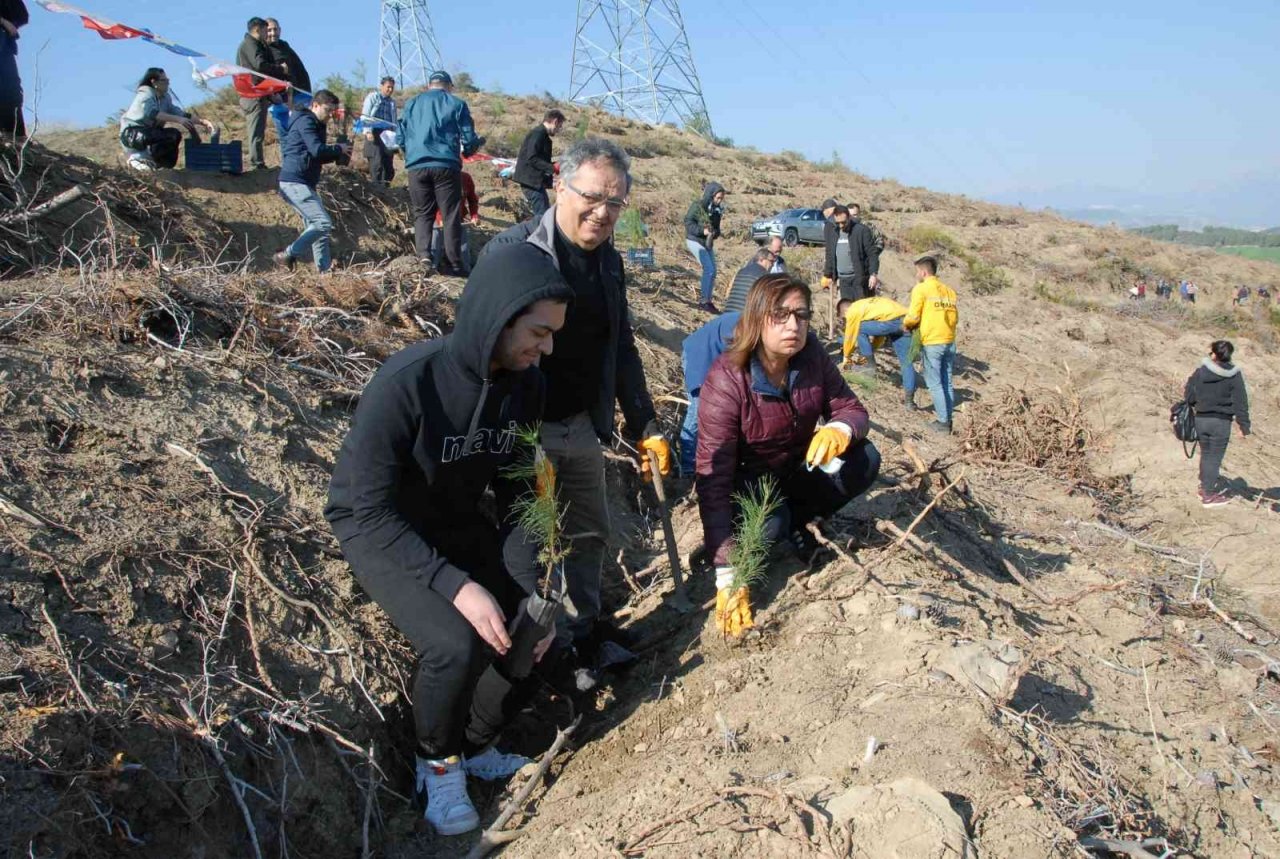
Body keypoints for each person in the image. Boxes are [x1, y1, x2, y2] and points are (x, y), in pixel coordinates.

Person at [325, 242, 574, 835]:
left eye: (554, 334)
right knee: (452, 645)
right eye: (538, 331)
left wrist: (522, 586)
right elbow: (369, 505)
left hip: (454, 516)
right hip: (376, 524)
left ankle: (472, 747)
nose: (548, 347)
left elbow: (516, 494)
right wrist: (455, 586)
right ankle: (435, 766)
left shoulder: (526, 386)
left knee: (531, 627)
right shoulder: (408, 382)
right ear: (497, 314)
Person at [482, 137, 669, 681]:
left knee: (588, 535)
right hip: (524, 431)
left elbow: (623, 345)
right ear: (560, 185)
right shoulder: (515, 252)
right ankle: (546, 660)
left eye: (617, 204)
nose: (604, 213)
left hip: (582, 425)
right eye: (593, 197)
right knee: (535, 550)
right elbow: (479, 347)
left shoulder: (609, 263)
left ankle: (585, 636)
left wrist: (647, 425)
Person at [696, 273, 881, 635]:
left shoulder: (811, 356)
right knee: (767, 527)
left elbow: (852, 409)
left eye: (801, 314)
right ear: (756, 317)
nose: (793, 325)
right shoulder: (728, 378)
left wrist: (840, 428)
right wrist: (727, 574)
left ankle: (798, 523)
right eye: (780, 315)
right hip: (746, 484)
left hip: (795, 469)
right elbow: (713, 476)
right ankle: (743, 542)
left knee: (865, 458)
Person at [398, 70, 484, 275]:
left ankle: (424, 257)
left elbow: (400, 136)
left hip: (416, 165)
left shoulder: (412, 103)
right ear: (449, 86)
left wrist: (409, 153)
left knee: (422, 213)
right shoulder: (457, 104)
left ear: (430, 85)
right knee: (451, 214)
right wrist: (473, 147)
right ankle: (455, 263)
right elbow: (468, 138)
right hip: (446, 165)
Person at [274, 90, 350, 273]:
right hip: (294, 182)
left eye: (333, 111)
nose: (330, 115)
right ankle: (287, 255)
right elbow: (316, 150)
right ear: (315, 105)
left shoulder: (316, 123)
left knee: (319, 231)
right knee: (323, 223)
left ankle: (323, 272)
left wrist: (337, 153)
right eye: (327, 109)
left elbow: (316, 155)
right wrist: (337, 148)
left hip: (304, 182)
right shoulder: (306, 121)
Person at [1184, 340, 1250, 508]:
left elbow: (1189, 396)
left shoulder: (1200, 372)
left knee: (1206, 454)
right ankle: (1208, 495)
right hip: (1221, 422)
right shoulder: (1234, 374)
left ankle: (1203, 487)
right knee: (1214, 457)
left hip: (1201, 420)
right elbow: (1240, 402)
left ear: (1213, 354)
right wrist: (1244, 426)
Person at [678, 311, 740, 476]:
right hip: (700, 357)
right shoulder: (745, 328)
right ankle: (687, 468)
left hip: (716, 356)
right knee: (699, 410)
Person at [902, 254, 959, 433]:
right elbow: (954, 318)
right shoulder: (949, 291)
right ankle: (948, 420)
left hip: (933, 341)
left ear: (924, 272)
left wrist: (906, 325)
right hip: (949, 341)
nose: (916, 275)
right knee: (946, 381)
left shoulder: (921, 289)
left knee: (934, 383)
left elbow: (913, 316)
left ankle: (942, 423)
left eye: (917, 272)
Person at [118, 68, 214, 171]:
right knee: (162, 136)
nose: (167, 83)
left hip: (149, 134)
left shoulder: (165, 98)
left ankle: (160, 165)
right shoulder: (145, 93)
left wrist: (202, 122)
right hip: (132, 134)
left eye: (168, 80)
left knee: (174, 134)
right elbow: (151, 113)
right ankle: (135, 160)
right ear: (154, 82)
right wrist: (178, 120)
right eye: (164, 80)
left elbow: (180, 113)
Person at [840, 295, 919, 407]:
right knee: (906, 362)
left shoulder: (853, 310)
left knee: (858, 327)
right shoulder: (870, 306)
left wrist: (846, 356)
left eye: (844, 318)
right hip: (906, 321)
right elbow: (880, 334)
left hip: (893, 322)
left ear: (845, 311)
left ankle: (869, 366)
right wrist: (872, 350)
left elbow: (850, 335)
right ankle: (909, 401)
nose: (846, 320)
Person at [236, 17, 287, 170]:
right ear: (257, 30)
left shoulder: (256, 45)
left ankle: (258, 162)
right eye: (266, 30)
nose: (268, 34)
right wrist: (280, 69)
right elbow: (259, 66)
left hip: (259, 94)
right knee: (255, 131)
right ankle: (256, 164)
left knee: (258, 131)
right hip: (252, 95)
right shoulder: (249, 44)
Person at [822, 205, 880, 318]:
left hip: (859, 279)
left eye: (843, 222)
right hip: (843, 281)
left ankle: (862, 334)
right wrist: (827, 275)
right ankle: (850, 334)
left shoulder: (861, 231)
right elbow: (829, 253)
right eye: (838, 222)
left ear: (849, 217)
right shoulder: (832, 231)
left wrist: (873, 274)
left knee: (862, 312)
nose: (841, 225)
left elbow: (872, 254)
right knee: (848, 313)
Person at [513, 109, 566, 220]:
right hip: (530, 182)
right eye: (560, 126)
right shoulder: (538, 134)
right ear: (555, 122)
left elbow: (537, 159)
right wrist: (552, 167)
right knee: (543, 217)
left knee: (544, 215)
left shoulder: (542, 135)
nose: (559, 130)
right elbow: (532, 158)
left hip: (535, 183)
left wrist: (554, 166)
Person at [685, 181, 726, 313]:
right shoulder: (698, 206)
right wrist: (702, 231)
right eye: (718, 198)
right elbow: (688, 222)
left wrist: (714, 233)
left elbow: (717, 229)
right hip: (694, 240)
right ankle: (704, 301)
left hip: (706, 243)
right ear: (711, 195)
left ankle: (708, 300)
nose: (719, 201)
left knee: (713, 271)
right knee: (708, 269)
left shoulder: (717, 211)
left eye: (721, 198)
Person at [430, 168, 479, 273]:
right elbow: (433, 200)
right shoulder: (439, 177)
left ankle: (465, 272)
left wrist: (474, 215)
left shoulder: (466, 178)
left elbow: (472, 199)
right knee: (435, 243)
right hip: (438, 218)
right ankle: (432, 269)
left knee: (463, 249)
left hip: (457, 219)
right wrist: (439, 217)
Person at [360, 76, 398, 187]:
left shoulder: (392, 102)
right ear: (381, 86)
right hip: (374, 131)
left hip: (388, 134)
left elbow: (394, 120)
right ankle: (376, 187)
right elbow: (366, 115)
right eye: (388, 87)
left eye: (392, 87)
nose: (390, 90)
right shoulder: (373, 97)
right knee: (377, 162)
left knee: (388, 164)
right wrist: (368, 131)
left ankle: (386, 187)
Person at [0, 0, 28, 138]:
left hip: (5, 44)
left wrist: (9, 24)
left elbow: (22, 16)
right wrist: (3, 21)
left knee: (12, 89)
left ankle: (15, 135)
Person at [263, 19, 311, 94]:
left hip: (293, 93)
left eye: (275, 29)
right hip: (274, 94)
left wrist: (307, 93)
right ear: (264, 31)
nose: (273, 33)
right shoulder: (261, 49)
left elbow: (300, 70)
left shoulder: (285, 47)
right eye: (269, 30)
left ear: (280, 30)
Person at [723, 247, 775, 313]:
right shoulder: (764, 276)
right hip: (745, 318)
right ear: (761, 259)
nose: (773, 265)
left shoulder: (741, 271)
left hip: (727, 313)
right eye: (771, 261)